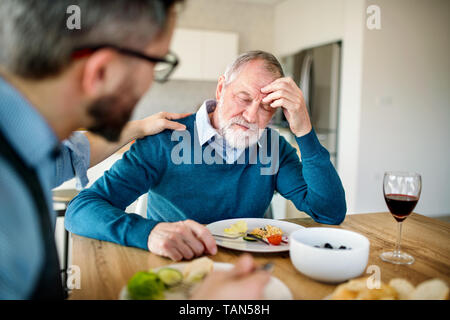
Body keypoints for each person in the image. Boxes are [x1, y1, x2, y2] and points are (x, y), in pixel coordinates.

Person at [0, 0, 269, 300]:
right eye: (157, 62)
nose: (152, 80)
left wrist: (137, 128)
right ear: (100, 71)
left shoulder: (29, 149)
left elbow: (71, 154)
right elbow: (84, 206)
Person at [65, 51, 347, 261]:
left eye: (266, 108)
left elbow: (329, 212)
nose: (251, 116)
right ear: (222, 87)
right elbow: (81, 210)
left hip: (244, 273)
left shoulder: (274, 148)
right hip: (174, 268)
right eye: (244, 98)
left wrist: (304, 131)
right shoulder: (165, 138)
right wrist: (148, 233)